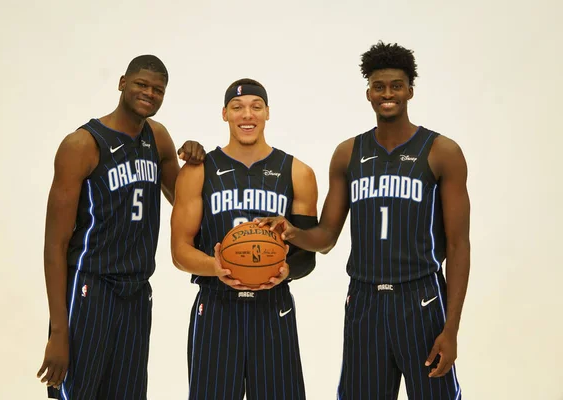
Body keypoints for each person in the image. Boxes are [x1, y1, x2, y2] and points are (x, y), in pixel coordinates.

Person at [257, 41, 470, 399]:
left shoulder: (441, 152)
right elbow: (325, 238)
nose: (388, 94)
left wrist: (451, 329)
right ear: (368, 93)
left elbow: (458, 245)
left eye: (396, 86)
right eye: (379, 86)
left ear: (410, 91)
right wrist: (292, 232)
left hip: (420, 297)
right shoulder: (348, 153)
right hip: (365, 298)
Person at [36, 55, 206, 399]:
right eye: (142, 84)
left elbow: (184, 202)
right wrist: (58, 331)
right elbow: (54, 245)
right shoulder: (82, 144)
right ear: (122, 82)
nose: (149, 93)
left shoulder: (158, 138)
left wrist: (194, 160)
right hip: (90, 288)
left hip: (137, 292)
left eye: (158, 89)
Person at [170, 78, 319, 400]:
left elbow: (308, 255)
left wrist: (286, 272)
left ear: (267, 113)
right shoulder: (198, 171)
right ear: (225, 114)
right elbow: (179, 251)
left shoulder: (298, 172)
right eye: (237, 107)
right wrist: (218, 267)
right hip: (216, 305)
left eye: (255, 107)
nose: (246, 115)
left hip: (273, 306)